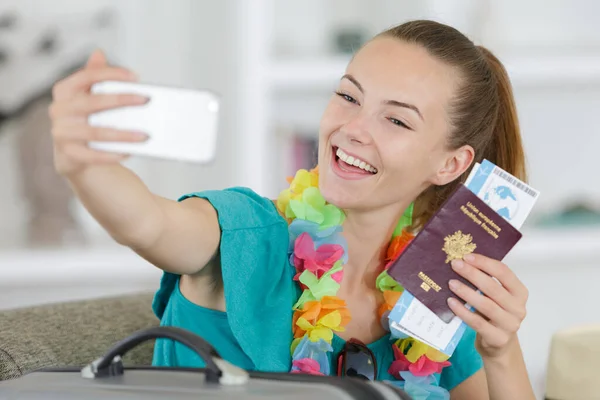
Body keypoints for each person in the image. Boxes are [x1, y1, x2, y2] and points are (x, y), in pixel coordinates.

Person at [48, 19, 535, 399]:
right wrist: (84, 166)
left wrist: (500, 349)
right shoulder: (245, 233)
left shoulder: (433, 292)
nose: (353, 129)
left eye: (395, 120)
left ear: (450, 163)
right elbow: (147, 224)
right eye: (348, 96)